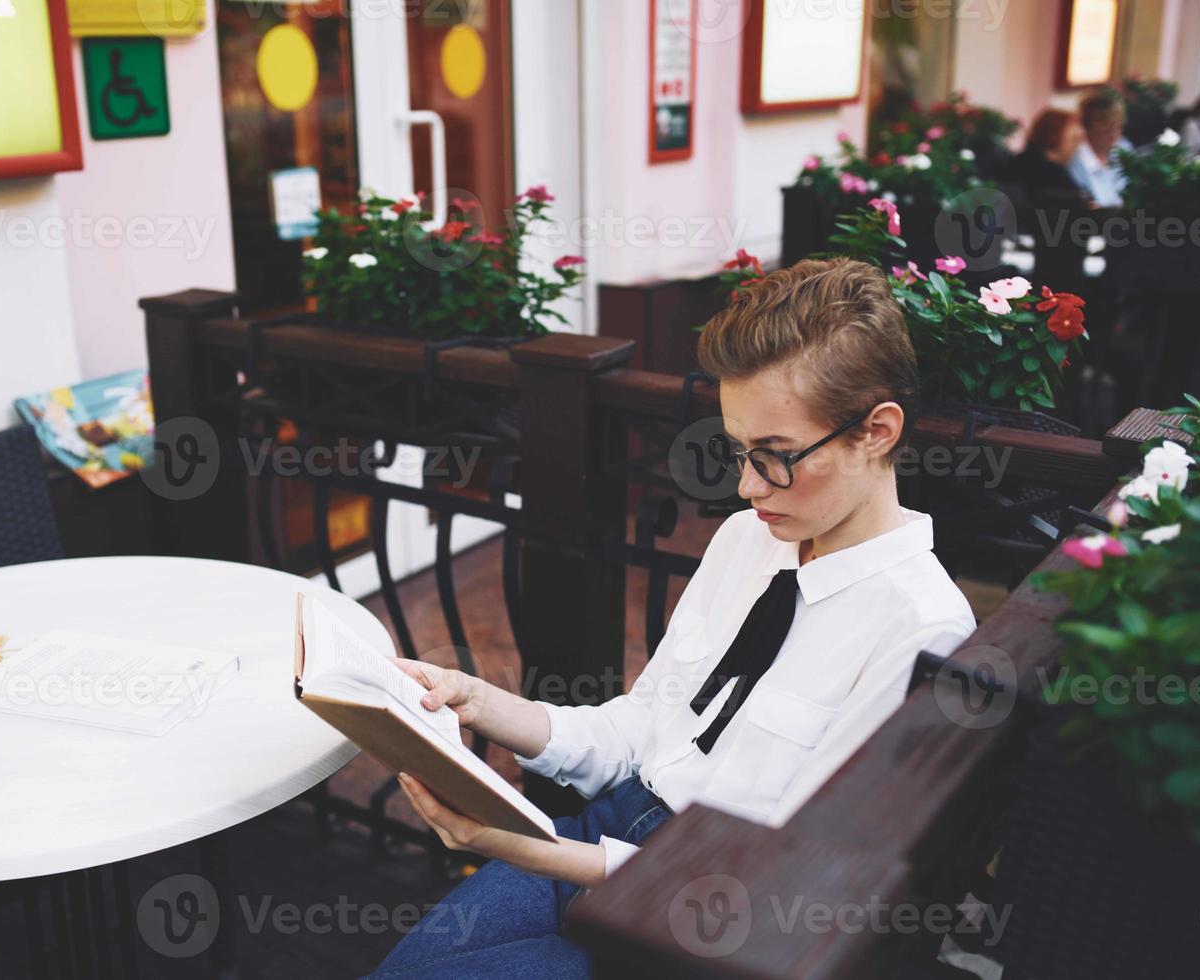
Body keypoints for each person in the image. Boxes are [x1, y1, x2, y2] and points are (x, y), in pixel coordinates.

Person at [368, 258, 977, 978]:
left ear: (875, 432)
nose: (749, 487)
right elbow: (641, 729)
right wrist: (480, 702)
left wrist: (523, 848)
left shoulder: (923, 628)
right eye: (739, 452)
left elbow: (790, 877)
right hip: (604, 833)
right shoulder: (748, 540)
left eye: (777, 457)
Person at [1001, 108, 1090, 205]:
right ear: (1053, 137)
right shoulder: (1054, 175)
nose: (1078, 147)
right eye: (1074, 139)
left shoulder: (1016, 163)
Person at [1069, 90, 1132, 208]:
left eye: (1118, 124)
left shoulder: (1124, 149)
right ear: (1087, 127)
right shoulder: (1075, 160)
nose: (1114, 132)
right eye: (1105, 124)